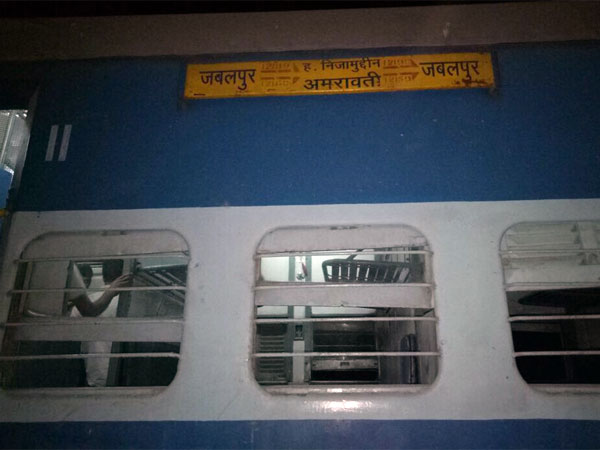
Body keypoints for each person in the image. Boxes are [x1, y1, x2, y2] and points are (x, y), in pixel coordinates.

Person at [69, 260, 132, 386]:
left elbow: (71, 337)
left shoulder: (84, 304)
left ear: (103, 276)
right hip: (128, 376)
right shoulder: (135, 302)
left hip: (94, 373)